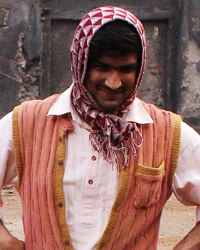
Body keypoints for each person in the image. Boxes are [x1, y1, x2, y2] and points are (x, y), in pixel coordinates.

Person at [0, 6, 200, 250]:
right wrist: (7, 242)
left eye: (126, 69)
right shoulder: (27, 123)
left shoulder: (166, 133)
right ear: (80, 62)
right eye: (102, 67)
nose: (113, 82)